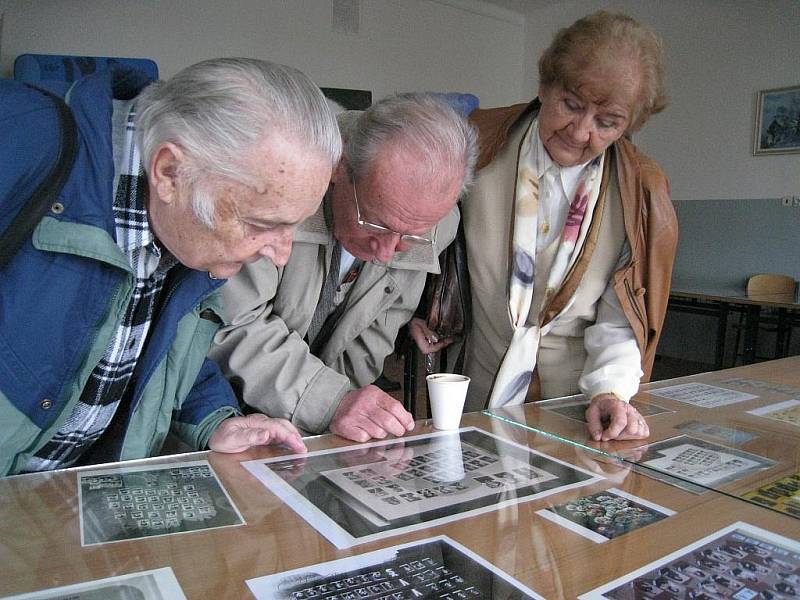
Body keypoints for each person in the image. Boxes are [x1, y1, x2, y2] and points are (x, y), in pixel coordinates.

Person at [0, 58, 342, 475]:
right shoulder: (17, 139)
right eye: (262, 223)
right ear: (170, 171)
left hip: (62, 504)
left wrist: (216, 419)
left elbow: (155, 348)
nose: (281, 254)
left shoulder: (190, 231)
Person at [410, 11, 678, 442]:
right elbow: (425, 231)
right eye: (570, 105)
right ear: (544, 86)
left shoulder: (639, 191)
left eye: (607, 122)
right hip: (474, 383)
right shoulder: (479, 140)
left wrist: (611, 390)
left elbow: (620, 316)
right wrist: (419, 305)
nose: (579, 131)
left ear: (630, 126)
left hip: (576, 405)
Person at [210, 93, 478, 443]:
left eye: (408, 237)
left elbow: (370, 342)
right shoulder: (276, 181)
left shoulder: (434, 223)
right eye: (376, 225)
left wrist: (342, 417)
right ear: (340, 165)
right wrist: (330, 402)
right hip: (212, 407)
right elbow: (232, 323)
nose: (385, 253)